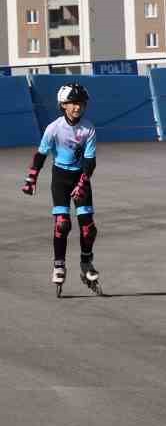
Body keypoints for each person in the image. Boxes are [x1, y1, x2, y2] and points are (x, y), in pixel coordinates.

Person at [22, 83, 102, 296]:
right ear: (63, 105)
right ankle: (59, 265)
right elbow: (41, 154)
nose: (78, 107)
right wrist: (31, 178)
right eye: (74, 103)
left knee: (88, 227)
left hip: (80, 176)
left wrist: (83, 182)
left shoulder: (88, 128)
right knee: (62, 223)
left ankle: (86, 263)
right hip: (60, 178)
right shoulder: (54, 128)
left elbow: (89, 160)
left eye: (81, 104)